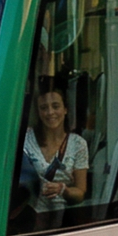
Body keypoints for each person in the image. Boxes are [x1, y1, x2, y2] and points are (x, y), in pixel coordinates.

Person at [22, 83, 89, 215]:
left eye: (56, 106)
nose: (50, 112)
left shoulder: (78, 144)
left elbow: (80, 193)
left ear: (65, 109)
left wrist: (63, 190)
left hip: (63, 219)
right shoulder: (26, 139)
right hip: (29, 218)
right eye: (44, 108)